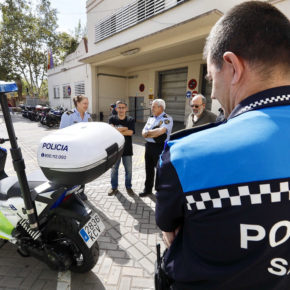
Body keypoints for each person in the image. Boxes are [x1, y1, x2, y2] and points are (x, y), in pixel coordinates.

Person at [155, 1, 290, 289]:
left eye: (211, 78)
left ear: (232, 66)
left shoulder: (184, 155)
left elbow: (171, 233)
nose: (212, 91)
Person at [59, 95, 92, 201]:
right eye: (84, 103)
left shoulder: (88, 116)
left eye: (87, 103)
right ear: (77, 103)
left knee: (83, 172)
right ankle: (71, 194)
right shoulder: (68, 115)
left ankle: (81, 191)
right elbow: (61, 133)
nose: (87, 105)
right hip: (71, 151)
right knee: (72, 173)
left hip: (84, 150)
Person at [139, 99, 173, 197]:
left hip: (160, 147)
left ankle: (160, 191)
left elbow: (161, 131)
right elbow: (143, 132)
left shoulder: (167, 118)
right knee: (148, 169)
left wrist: (147, 133)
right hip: (148, 146)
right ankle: (148, 189)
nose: (151, 108)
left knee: (160, 170)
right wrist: (149, 134)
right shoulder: (151, 118)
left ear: (160, 107)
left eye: (154, 106)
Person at [108, 101, 135, 196]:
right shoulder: (112, 119)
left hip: (127, 149)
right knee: (114, 169)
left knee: (129, 170)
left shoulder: (130, 119)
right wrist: (124, 129)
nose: (121, 110)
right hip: (116, 150)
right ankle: (114, 187)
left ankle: (128, 187)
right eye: (119, 107)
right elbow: (111, 132)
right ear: (116, 109)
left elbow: (130, 132)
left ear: (126, 109)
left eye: (123, 108)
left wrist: (116, 130)